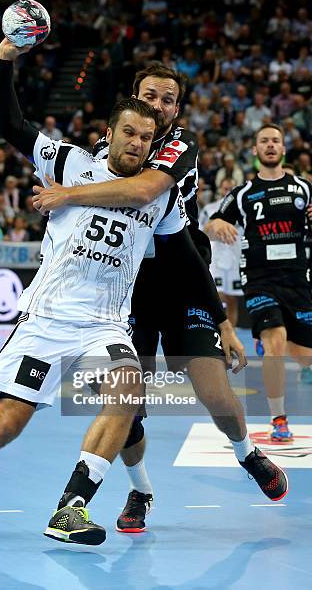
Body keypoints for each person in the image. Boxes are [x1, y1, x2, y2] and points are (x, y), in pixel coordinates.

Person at [0, 39, 184, 544]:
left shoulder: (160, 195)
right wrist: (5, 60)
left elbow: (181, 256)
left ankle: (71, 507)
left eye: (147, 137)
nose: (138, 143)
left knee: (128, 389)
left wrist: (218, 318)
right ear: (110, 132)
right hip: (46, 319)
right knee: (6, 424)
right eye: (129, 132)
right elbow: (10, 125)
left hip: (104, 324)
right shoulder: (70, 162)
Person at [32, 64, 288, 533]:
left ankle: (246, 452)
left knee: (218, 397)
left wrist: (224, 323)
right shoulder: (101, 153)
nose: (158, 104)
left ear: (176, 110)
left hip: (182, 279)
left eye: (168, 99)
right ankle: (141, 490)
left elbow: (148, 193)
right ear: (132, 98)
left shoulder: (180, 145)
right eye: (149, 95)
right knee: (127, 406)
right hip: (125, 292)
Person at [205, 123, 312, 441]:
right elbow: (212, 221)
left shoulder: (303, 188)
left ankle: (268, 343)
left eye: (275, 141)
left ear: (283, 148)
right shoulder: (244, 194)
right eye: (263, 141)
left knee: (302, 354)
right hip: (259, 279)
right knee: (276, 341)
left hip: (296, 279)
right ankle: (279, 418)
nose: (269, 145)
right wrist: (218, 226)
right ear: (254, 150)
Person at [199, 178, 243, 327]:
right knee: (217, 298)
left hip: (235, 258)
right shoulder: (210, 209)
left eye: (231, 189)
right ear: (219, 189)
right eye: (225, 189)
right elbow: (201, 233)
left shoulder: (243, 209)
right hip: (216, 259)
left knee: (232, 300)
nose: (228, 192)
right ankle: (217, 335)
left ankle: (233, 335)